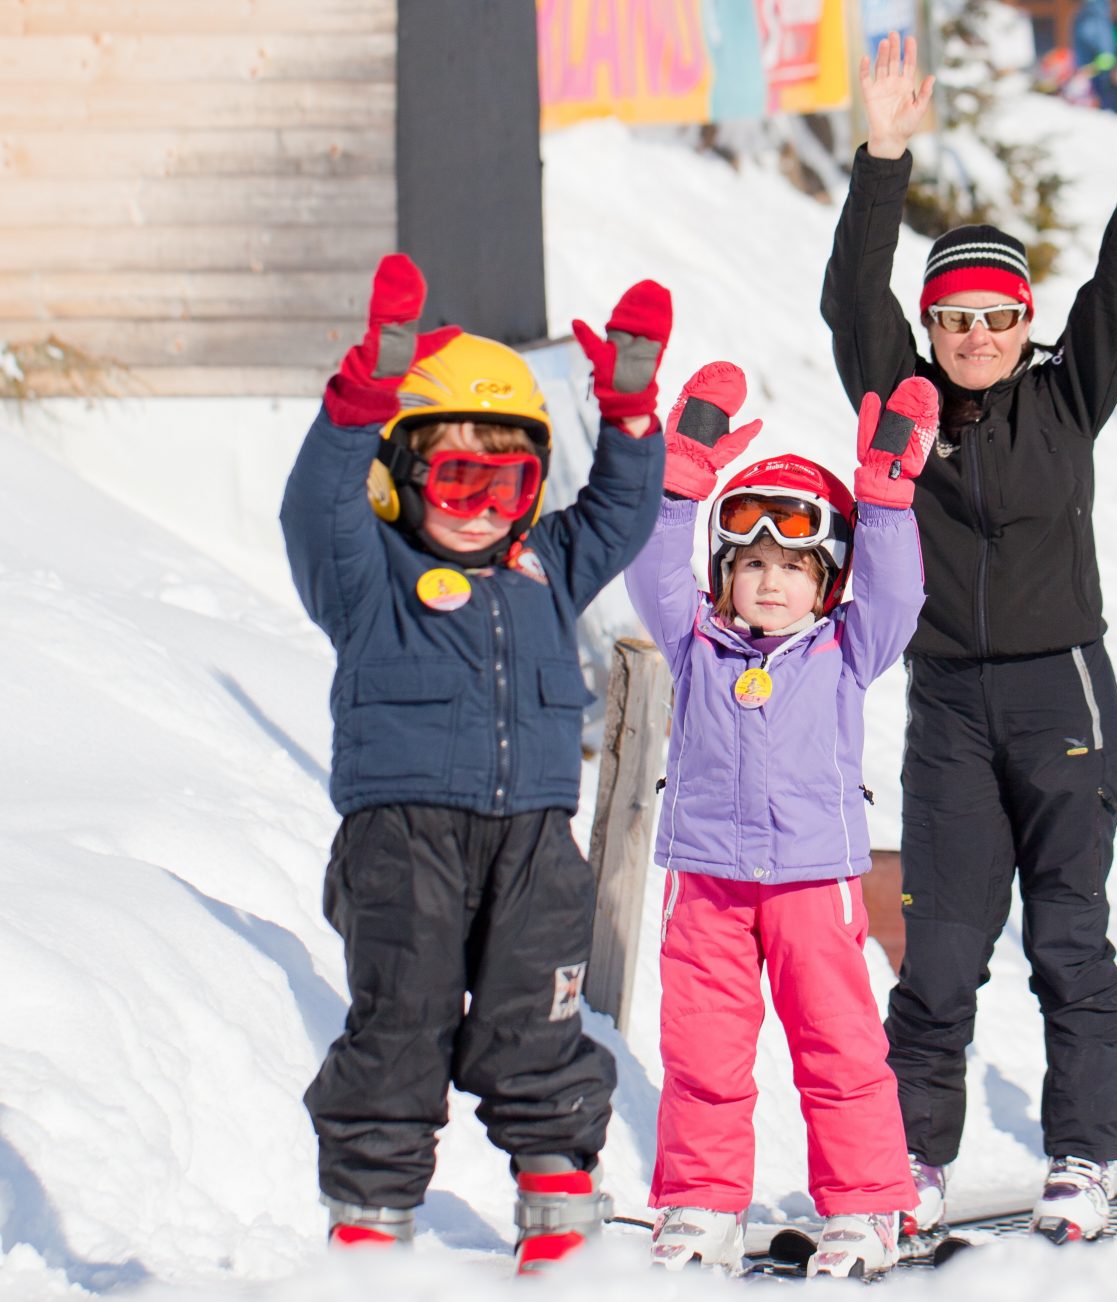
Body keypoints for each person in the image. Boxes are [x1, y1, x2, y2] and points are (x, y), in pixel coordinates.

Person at [822, 33, 1117, 1243]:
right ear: (933, 326)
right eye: (955, 317)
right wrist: (883, 156)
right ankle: (909, 1161)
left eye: (998, 315)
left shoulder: (1065, 395)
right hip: (947, 701)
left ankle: (1082, 1158)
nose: (978, 334)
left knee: (1064, 933)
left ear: (1023, 319)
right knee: (939, 949)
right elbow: (851, 294)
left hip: (1063, 698)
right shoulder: (900, 400)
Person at [279, 255, 670, 1271]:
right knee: (400, 1022)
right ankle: (369, 1223)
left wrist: (627, 420)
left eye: (511, 482)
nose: (483, 505)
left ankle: (559, 1211)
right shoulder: (370, 576)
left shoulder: (543, 564)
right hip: (402, 837)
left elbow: (621, 517)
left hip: (535, 841)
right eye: (458, 476)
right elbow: (316, 511)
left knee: (537, 1022)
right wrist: (359, 403)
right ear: (399, 475)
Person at [623, 367, 939, 1277]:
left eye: (793, 568)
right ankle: (700, 1206)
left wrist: (882, 506)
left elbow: (898, 597)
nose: (769, 582)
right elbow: (651, 571)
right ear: (723, 573)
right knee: (704, 1053)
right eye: (751, 562)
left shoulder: (847, 648)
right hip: (708, 884)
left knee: (838, 1047)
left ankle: (868, 1208)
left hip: (811, 881)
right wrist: (680, 488)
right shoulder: (695, 644)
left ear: (826, 581)